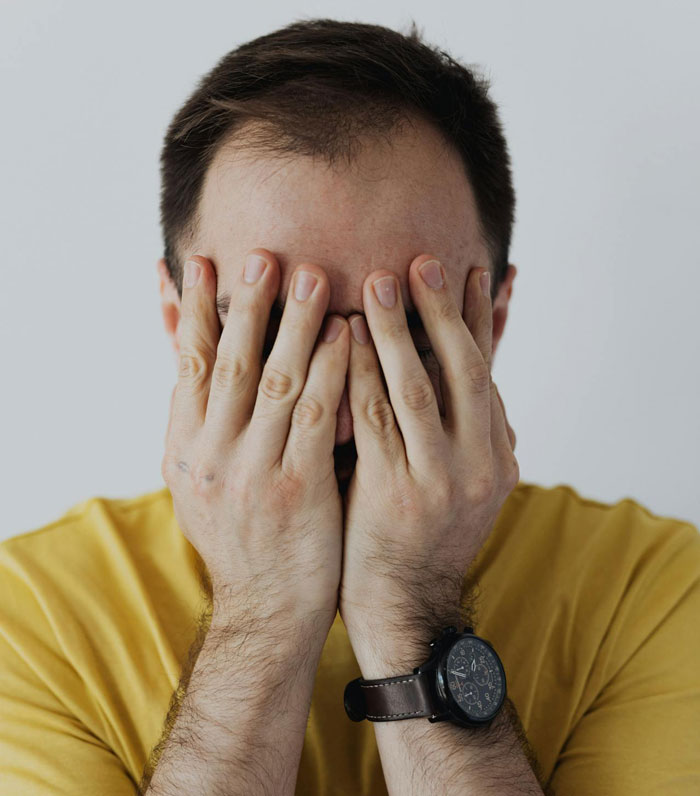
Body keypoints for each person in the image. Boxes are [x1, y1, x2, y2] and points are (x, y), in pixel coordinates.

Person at [1, 17, 698, 796]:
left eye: (405, 335)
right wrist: (264, 614)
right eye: (274, 332)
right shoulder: (28, 621)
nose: (334, 409)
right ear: (180, 321)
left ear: (490, 325)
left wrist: (408, 604)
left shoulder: (657, 595)